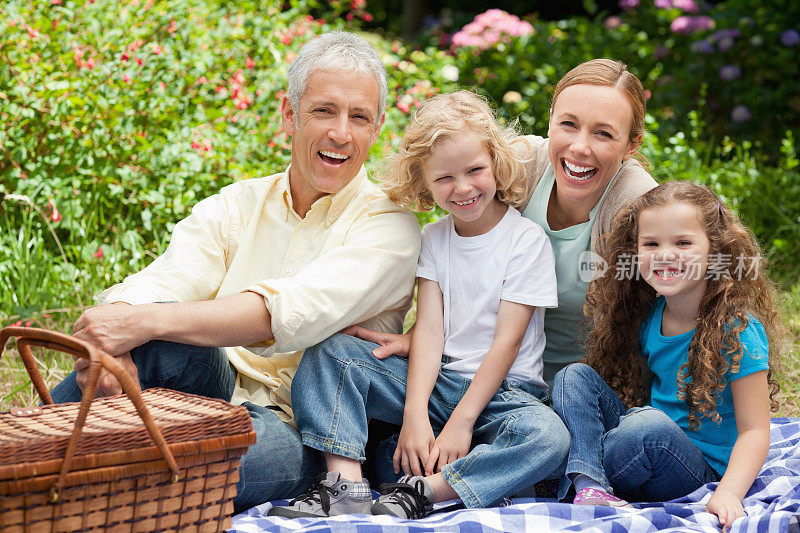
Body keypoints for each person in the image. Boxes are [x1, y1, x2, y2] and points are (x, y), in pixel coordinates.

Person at [49, 31, 421, 513]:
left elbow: (291, 312)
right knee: (141, 333)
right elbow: (166, 278)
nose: (341, 133)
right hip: (215, 382)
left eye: (359, 117)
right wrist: (113, 331)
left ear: (377, 127)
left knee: (194, 471)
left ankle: (79, 496)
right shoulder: (237, 204)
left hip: (302, 428)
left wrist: (139, 323)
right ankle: (21, 457)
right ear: (290, 114)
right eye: (324, 111)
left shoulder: (391, 225)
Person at [269, 91, 569, 519]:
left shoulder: (525, 241)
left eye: (475, 170)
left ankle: (426, 490)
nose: (463, 188)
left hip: (505, 396)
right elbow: (430, 330)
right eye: (444, 178)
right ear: (423, 183)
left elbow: (507, 342)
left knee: (548, 438)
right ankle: (346, 486)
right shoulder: (433, 239)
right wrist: (415, 417)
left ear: (497, 165)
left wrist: (461, 424)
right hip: (440, 385)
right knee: (332, 353)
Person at [348, 58, 658, 386]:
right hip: (479, 374)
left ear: (631, 144)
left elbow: (691, 286)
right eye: (568, 124)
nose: (580, 147)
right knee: (343, 356)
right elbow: (457, 250)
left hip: (585, 387)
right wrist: (421, 335)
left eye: (604, 133)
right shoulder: (519, 163)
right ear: (550, 119)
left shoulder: (637, 203)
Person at [552, 181, 782, 531]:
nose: (665, 255)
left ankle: (567, 468)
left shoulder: (738, 331)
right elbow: (637, 397)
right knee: (573, 376)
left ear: (716, 251)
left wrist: (729, 493)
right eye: (651, 244)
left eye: (683, 243)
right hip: (640, 443)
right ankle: (588, 482)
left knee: (648, 427)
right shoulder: (651, 318)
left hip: (693, 467)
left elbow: (755, 430)